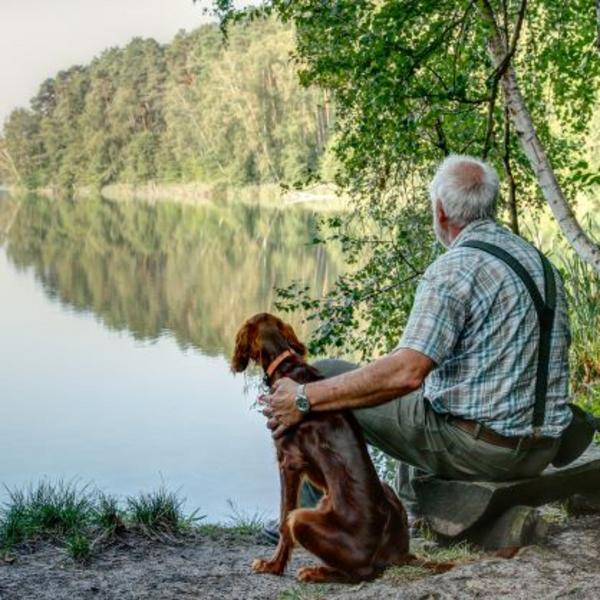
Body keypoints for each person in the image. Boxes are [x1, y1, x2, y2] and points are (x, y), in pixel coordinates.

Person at [262, 154, 572, 527]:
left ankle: (316, 521)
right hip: (541, 449)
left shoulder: (455, 268)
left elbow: (406, 374)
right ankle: (410, 512)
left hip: (486, 452)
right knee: (410, 399)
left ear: (440, 211)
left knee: (320, 376)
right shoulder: (540, 263)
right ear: (491, 207)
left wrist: (303, 397)